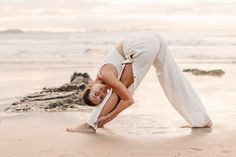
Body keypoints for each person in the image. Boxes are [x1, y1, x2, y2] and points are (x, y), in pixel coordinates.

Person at [66, 32, 212, 133]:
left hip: (141, 44)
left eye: (96, 93)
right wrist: (106, 119)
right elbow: (122, 99)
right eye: (101, 98)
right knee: (172, 79)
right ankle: (201, 120)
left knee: (123, 90)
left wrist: (108, 116)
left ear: (90, 85)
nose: (102, 93)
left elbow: (128, 100)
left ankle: (90, 125)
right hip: (152, 39)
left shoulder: (105, 74)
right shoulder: (106, 78)